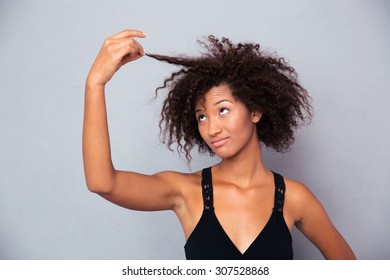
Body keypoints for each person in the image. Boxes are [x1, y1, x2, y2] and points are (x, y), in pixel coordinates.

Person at [83, 29, 356, 260]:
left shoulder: (294, 198)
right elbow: (102, 183)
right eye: (201, 116)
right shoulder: (186, 192)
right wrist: (95, 84)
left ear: (255, 111)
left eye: (223, 110)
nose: (212, 128)